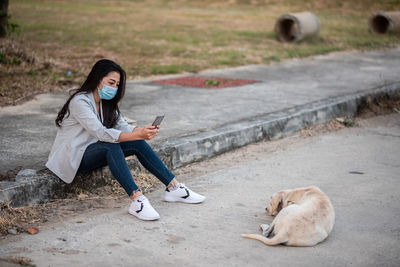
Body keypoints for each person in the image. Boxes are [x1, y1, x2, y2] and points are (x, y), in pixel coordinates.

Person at [46, 59, 205, 221]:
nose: (114, 88)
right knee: (111, 145)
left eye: (117, 85)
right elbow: (101, 133)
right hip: (73, 158)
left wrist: (143, 131)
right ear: (97, 78)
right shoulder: (80, 101)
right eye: (111, 82)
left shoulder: (106, 102)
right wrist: (138, 134)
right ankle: (137, 200)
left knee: (136, 142)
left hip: (95, 150)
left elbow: (123, 127)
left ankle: (174, 187)